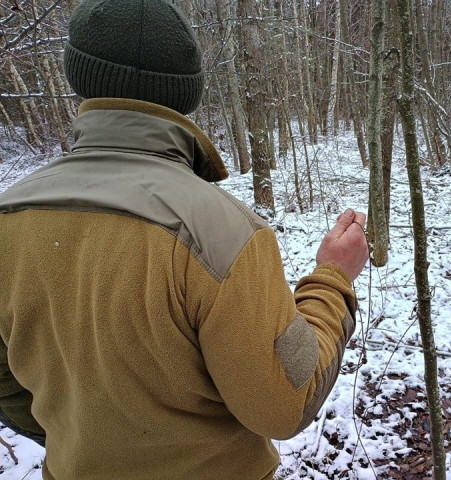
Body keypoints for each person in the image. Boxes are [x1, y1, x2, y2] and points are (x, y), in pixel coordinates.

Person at [0, 1, 369, 478]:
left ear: (78, 76)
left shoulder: (7, 217)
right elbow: (284, 404)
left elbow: (7, 387)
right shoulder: (223, 233)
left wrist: (82, 439)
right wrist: (334, 277)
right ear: (187, 89)